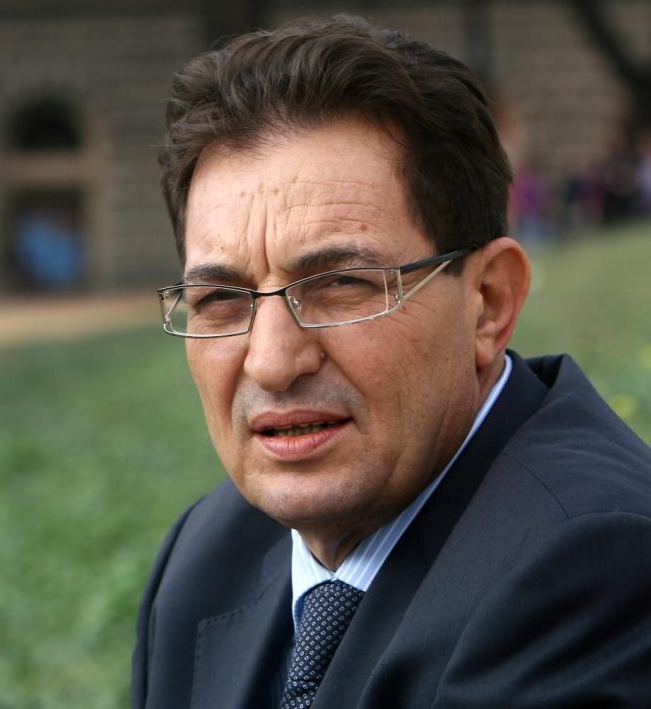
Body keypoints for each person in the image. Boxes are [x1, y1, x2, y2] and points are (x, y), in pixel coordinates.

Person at [132, 15, 651, 709]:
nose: (273, 361)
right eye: (221, 298)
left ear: (489, 304)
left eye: (341, 284)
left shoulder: (594, 564)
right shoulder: (205, 557)